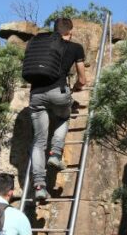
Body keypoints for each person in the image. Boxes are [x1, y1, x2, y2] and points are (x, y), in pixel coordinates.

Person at [29, 17, 88, 201]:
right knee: (63, 117)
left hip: (36, 94)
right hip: (59, 93)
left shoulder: (40, 45)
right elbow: (82, 79)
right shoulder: (75, 47)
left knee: (38, 142)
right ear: (70, 31)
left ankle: (39, 186)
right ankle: (55, 153)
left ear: (55, 30)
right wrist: (77, 87)